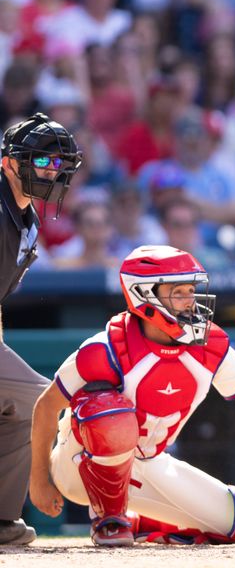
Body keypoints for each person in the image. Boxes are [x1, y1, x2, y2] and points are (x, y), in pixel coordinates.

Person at [28, 244, 235, 547]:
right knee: (109, 413)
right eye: (178, 292)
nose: (190, 300)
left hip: (148, 464)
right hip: (79, 466)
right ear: (144, 296)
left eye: (191, 291)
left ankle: (138, 522)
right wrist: (39, 479)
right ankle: (109, 520)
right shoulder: (107, 349)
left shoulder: (208, 344)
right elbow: (46, 408)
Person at [0, 112, 82, 545]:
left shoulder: (26, 216)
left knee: (22, 404)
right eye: (41, 161)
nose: (52, 171)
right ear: (9, 164)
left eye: (58, 163)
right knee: (34, 397)